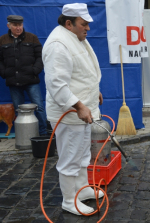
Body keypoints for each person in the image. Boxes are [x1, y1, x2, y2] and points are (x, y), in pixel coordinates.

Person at [43, 3, 105, 215]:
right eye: (83, 24)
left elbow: (81, 71)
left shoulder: (75, 38)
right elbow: (57, 84)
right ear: (68, 23)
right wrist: (79, 105)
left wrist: (93, 91)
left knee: (81, 155)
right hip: (68, 114)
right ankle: (69, 201)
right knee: (70, 159)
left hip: (81, 111)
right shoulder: (58, 45)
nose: (87, 28)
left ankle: (82, 189)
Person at [0, 15, 47, 136]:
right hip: (13, 81)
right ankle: (24, 135)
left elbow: (40, 56)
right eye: (15, 25)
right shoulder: (2, 40)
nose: (18, 28)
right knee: (18, 110)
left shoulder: (32, 38)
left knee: (39, 107)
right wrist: (4, 73)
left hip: (31, 80)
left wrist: (35, 70)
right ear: (8, 26)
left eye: (20, 25)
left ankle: (43, 133)